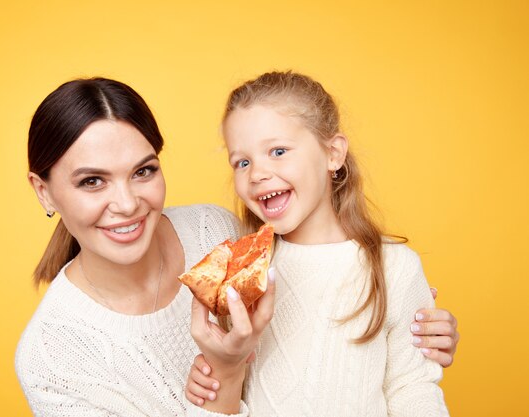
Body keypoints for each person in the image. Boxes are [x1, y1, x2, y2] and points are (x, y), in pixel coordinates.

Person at [15, 77, 457, 417]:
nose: (127, 204)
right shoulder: (53, 360)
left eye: (143, 171)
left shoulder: (225, 239)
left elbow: (390, 371)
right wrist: (225, 373)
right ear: (44, 191)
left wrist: (407, 317)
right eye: (91, 181)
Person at [186, 71, 453, 416]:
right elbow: (231, 386)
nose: (257, 174)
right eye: (243, 162)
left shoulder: (394, 267)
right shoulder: (243, 272)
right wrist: (213, 378)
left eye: (278, 151)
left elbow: (412, 387)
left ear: (333, 154)